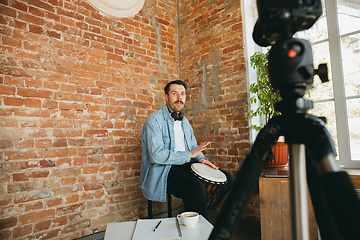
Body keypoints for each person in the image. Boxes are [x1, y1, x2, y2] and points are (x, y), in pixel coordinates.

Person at [139, 80, 234, 219]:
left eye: (182, 94)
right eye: (174, 93)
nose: (179, 97)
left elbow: (193, 148)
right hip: (165, 169)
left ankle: (200, 210)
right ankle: (200, 230)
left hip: (186, 164)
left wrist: (201, 158)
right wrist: (189, 155)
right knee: (197, 189)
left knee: (228, 179)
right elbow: (156, 156)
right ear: (166, 97)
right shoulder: (154, 120)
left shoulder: (185, 121)